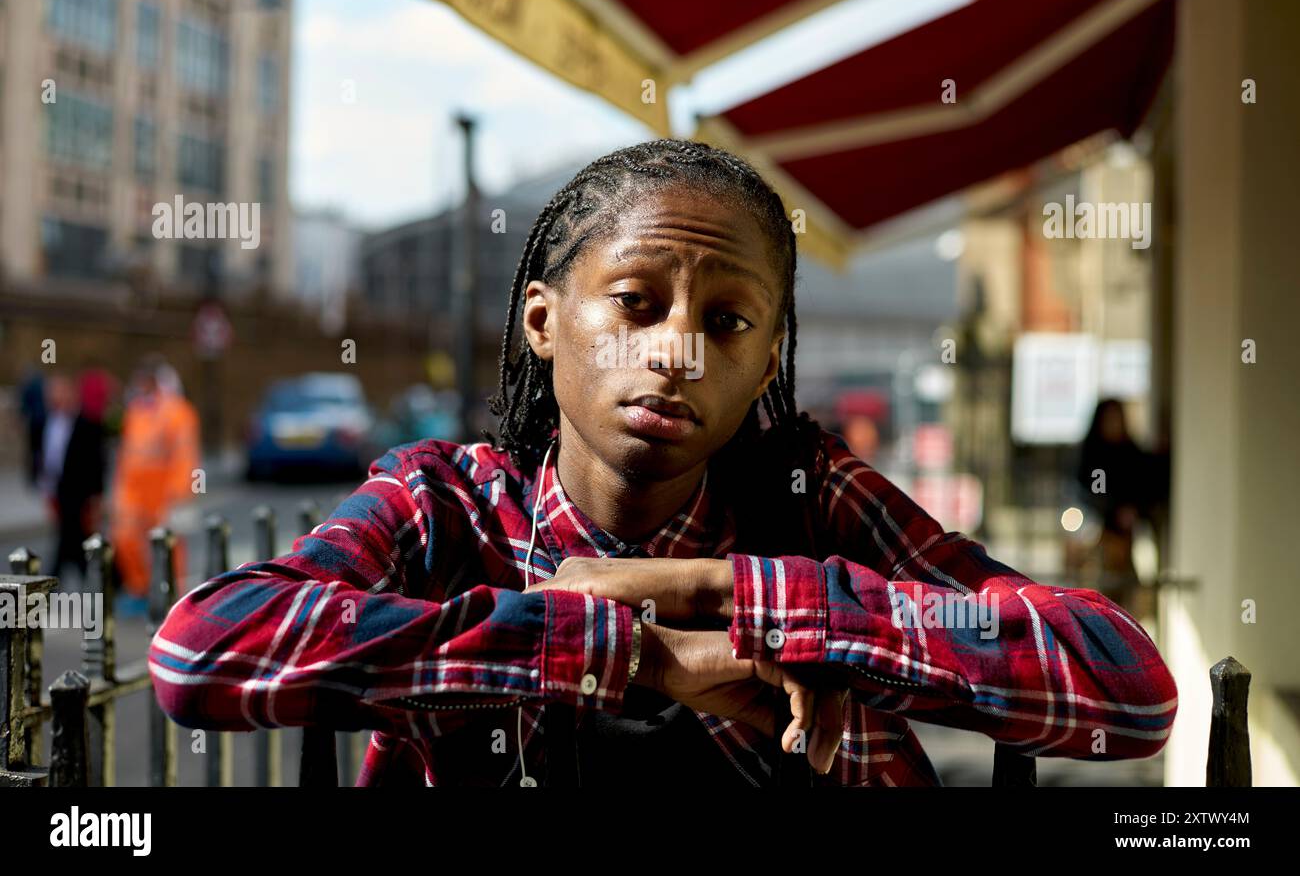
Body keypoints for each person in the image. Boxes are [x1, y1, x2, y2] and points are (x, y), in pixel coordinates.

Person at [148, 139, 1177, 787]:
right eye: (637, 304)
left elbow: (1126, 687)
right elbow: (202, 654)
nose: (678, 349)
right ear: (544, 322)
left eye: (726, 322)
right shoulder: (445, 507)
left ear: (768, 359)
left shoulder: (805, 498)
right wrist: (632, 655)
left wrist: (744, 597)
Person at [110, 356, 201, 602]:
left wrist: (179, 494)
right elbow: (127, 455)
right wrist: (120, 495)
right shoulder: (135, 413)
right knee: (126, 537)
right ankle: (140, 589)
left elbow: (186, 456)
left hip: (165, 494)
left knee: (168, 546)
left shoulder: (178, 413)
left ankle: (172, 595)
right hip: (136, 493)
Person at [1073, 397, 1163, 615]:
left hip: (1127, 539)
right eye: (1109, 419)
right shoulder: (1092, 454)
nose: (1114, 424)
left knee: (1128, 595)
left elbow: (1147, 478)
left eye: (1117, 418)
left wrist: (1133, 510)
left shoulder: (1129, 452)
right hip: (1100, 537)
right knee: (1100, 595)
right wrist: (1113, 511)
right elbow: (1089, 493)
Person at [34, 372, 107, 589]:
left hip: (81, 493)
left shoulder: (87, 424)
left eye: (59, 391)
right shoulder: (46, 422)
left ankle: (52, 584)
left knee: (71, 540)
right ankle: (96, 582)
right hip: (58, 491)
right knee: (72, 542)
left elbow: (98, 463)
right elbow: (44, 457)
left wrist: (97, 497)